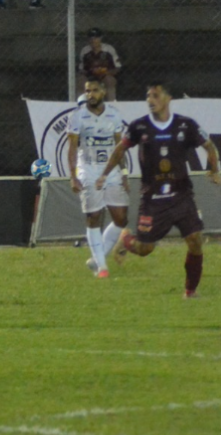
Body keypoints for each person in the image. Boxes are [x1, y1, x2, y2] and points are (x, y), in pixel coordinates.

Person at [99, 81, 221, 298]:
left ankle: (190, 292)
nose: (150, 100)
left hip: (182, 195)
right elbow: (120, 149)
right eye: (148, 96)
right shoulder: (139, 126)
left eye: (155, 95)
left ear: (167, 99)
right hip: (153, 199)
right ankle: (126, 238)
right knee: (145, 249)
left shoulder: (185, 125)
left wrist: (214, 169)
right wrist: (105, 173)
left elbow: (209, 146)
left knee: (195, 240)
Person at [67, 78, 128, 278]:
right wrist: (73, 176)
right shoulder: (78, 117)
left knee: (121, 218)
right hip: (89, 169)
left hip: (111, 171)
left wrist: (125, 173)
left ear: (103, 92)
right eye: (87, 91)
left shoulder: (114, 115)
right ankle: (102, 267)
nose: (90, 94)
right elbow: (72, 150)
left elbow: (120, 148)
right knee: (94, 217)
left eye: (94, 90)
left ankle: (96, 258)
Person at [79, 28, 122, 102]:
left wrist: (104, 72)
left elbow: (117, 67)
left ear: (100, 38)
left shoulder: (109, 49)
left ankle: (111, 103)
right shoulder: (85, 51)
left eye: (96, 37)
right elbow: (81, 69)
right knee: (80, 80)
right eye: (91, 38)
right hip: (90, 76)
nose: (93, 40)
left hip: (106, 75)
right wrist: (91, 71)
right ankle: (82, 104)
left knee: (109, 80)